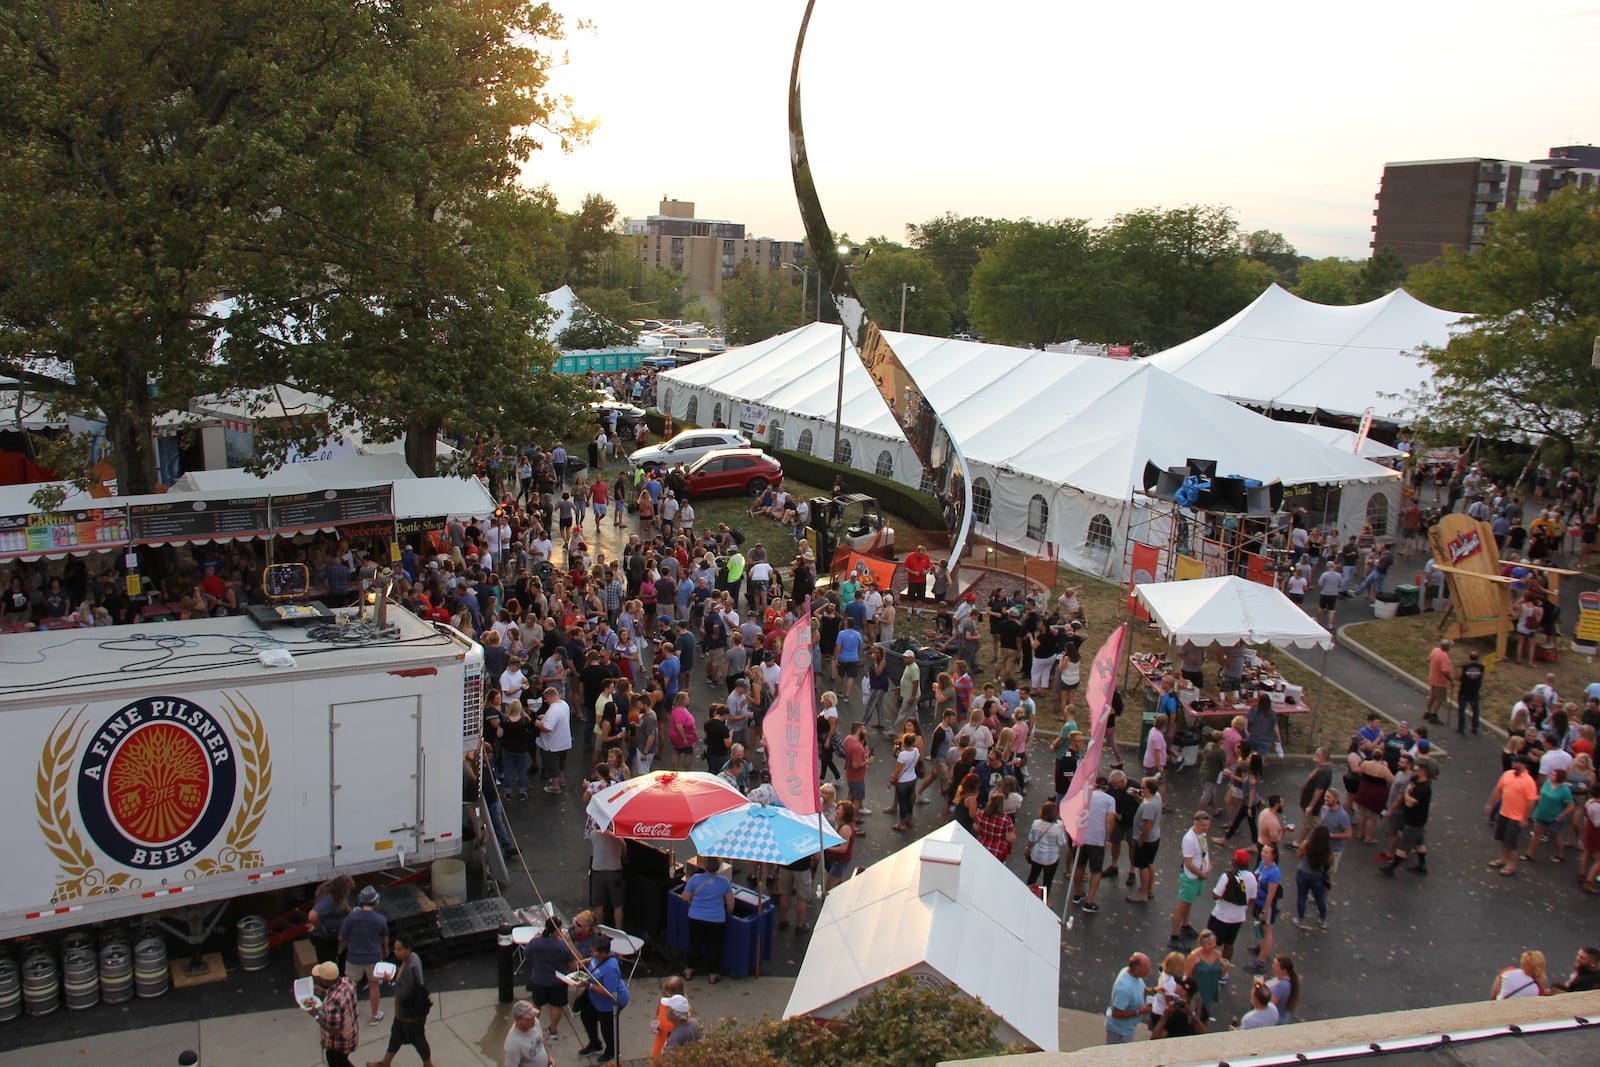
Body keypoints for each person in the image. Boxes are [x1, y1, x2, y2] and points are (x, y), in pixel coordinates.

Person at [368, 936, 433, 1067]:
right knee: (396, 1038)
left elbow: (403, 993)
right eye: (395, 949)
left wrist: (391, 981)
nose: (396, 952)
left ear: (408, 949)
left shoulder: (410, 967)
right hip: (402, 1014)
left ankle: (428, 1065)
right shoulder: (413, 957)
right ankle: (385, 1063)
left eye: (399, 949)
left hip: (410, 1015)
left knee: (418, 1040)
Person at [339, 885, 389, 1025]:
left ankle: (348, 1014)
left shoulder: (351, 918)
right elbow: (385, 937)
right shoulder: (380, 919)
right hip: (373, 957)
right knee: (374, 986)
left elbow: (341, 937)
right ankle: (374, 1015)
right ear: (375, 901)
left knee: (350, 987)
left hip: (353, 957)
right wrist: (385, 950)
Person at [576, 935, 630, 1062]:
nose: (592, 953)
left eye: (594, 952)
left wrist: (588, 985)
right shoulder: (598, 957)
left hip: (609, 1004)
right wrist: (586, 961)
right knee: (587, 1017)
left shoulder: (611, 968)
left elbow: (608, 992)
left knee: (607, 1028)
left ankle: (612, 1051)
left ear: (603, 953)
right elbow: (593, 962)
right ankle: (595, 1044)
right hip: (594, 999)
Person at [680, 858, 734, 984]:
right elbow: (730, 903)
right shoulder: (724, 882)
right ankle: (713, 974)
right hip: (717, 919)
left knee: (695, 944)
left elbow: (685, 897)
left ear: (704, 865)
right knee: (714, 947)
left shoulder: (695, 879)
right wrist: (727, 914)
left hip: (696, 917)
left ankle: (689, 970)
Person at [1168, 809, 1213, 951]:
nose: (1206, 828)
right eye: (1203, 825)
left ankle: (1185, 925)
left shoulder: (1202, 835)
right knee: (1182, 904)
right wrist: (1201, 873)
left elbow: (1203, 853)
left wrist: (1208, 866)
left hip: (1199, 874)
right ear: (1196, 823)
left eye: (1207, 825)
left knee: (1189, 902)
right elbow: (1188, 863)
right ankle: (1174, 937)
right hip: (1192, 876)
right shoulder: (1189, 839)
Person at [1207, 849, 1259, 970]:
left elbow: (1216, 895)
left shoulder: (1227, 876)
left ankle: (1209, 966)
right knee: (1229, 944)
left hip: (1221, 916)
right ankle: (1224, 970)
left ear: (1234, 862)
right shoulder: (1252, 878)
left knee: (1210, 943)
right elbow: (1252, 899)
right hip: (1238, 918)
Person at [1486, 760, 1540, 876]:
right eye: (1514, 762)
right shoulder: (1507, 774)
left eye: (1517, 762)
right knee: (1502, 838)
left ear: (1524, 765)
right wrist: (1490, 804)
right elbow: (1498, 789)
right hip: (1503, 813)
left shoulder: (1528, 781)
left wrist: (1525, 818)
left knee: (1511, 842)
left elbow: (1531, 801)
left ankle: (1511, 865)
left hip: (1516, 817)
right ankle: (1503, 859)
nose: (1514, 764)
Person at [524, 916, 573, 1042]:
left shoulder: (535, 942)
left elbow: (527, 955)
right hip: (558, 981)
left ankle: (533, 1027)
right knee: (556, 1006)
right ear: (557, 931)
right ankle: (553, 1029)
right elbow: (572, 964)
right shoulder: (562, 946)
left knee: (537, 1005)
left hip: (539, 979)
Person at [306, 960, 359, 1067]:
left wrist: (315, 1014)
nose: (318, 978)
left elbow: (334, 1030)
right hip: (351, 1034)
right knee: (343, 1062)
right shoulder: (347, 982)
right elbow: (341, 997)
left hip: (339, 1044)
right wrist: (324, 992)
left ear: (326, 981)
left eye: (320, 977)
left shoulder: (334, 1002)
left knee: (337, 1062)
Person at [1245, 843, 1282, 973]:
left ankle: (1261, 960)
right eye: (1263, 851)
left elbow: (1271, 895)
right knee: (1260, 925)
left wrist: (1265, 910)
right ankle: (1260, 946)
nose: (1263, 854)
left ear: (1273, 855)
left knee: (1267, 931)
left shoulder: (1274, 872)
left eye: (1267, 852)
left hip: (1266, 905)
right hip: (1258, 901)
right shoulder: (1262, 864)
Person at [1103, 953, 1152, 1045]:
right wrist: (1139, 1012)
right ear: (1136, 969)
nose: (1149, 971)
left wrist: (1154, 990)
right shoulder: (1125, 989)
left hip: (1128, 1028)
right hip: (1120, 1032)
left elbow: (1140, 989)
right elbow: (1116, 1013)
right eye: (1146, 968)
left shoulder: (1131, 974)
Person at [307, 874, 355, 965]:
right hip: (323, 938)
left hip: (331, 935)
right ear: (342, 890)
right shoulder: (328, 901)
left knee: (334, 956)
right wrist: (318, 925)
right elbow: (312, 915)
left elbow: (343, 903)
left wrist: (352, 913)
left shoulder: (336, 897)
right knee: (327, 962)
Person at [1024, 801, 1070, 894]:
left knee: (1033, 876)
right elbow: (1062, 843)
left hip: (1036, 855)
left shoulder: (1036, 823)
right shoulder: (1057, 828)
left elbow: (1031, 839)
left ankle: (1027, 895)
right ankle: (1044, 902)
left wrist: (1027, 849)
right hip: (1051, 859)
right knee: (1047, 882)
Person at [1185, 929, 1225, 1025]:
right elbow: (1187, 975)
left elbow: (1221, 975)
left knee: (1205, 1011)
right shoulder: (1194, 955)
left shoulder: (1217, 954)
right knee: (1194, 1014)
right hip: (1198, 991)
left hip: (1211, 988)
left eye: (1214, 943)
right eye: (1209, 944)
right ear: (1202, 944)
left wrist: (1225, 968)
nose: (1213, 946)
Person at [503, 1001, 551, 1067]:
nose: (533, 1020)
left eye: (534, 1016)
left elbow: (541, 1040)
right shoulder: (513, 1044)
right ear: (518, 1020)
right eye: (528, 1019)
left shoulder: (535, 1022)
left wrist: (549, 1058)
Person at [1457, 650, 1486, 734]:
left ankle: (1461, 727)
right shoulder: (1481, 667)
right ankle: (1474, 727)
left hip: (1464, 691)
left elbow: (1459, 677)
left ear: (1469, 658)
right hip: (1474, 692)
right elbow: (1482, 678)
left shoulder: (1465, 667)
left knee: (1462, 710)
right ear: (1478, 658)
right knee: (1476, 710)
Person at [1425, 639, 1453, 724]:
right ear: (1448, 648)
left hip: (1432, 678)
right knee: (1439, 699)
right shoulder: (1444, 657)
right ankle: (1434, 715)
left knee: (1432, 696)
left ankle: (1427, 712)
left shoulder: (1435, 650)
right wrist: (1450, 680)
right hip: (1440, 682)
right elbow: (1445, 671)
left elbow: (1428, 659)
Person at [1266, 956, 1301, 1024]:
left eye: (1276, 966)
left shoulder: (1280, 986)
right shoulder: (1290, 981)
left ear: (1284, 970)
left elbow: (1271, 1004)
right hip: (1284, 1017)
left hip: (1276, 1020)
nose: (1273, 967)